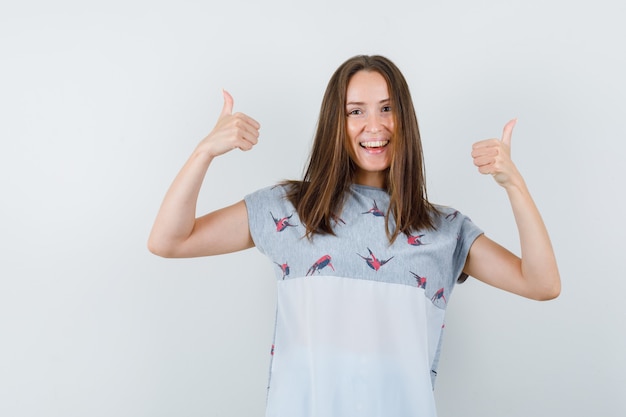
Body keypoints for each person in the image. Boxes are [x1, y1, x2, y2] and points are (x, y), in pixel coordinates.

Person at [148, 55, 560, 417]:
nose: (374, 126)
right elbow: (169, 240)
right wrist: (204, 152)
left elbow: (541, 283)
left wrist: (514, 185)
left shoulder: (442, 229)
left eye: (386, 108)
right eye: (356, 111)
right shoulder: (290, 208)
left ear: (405, 119)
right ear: (336, 121)